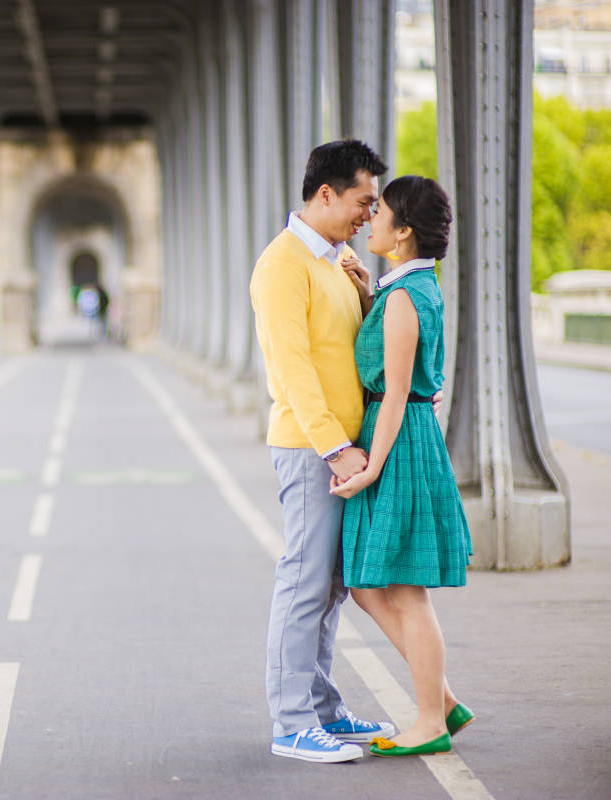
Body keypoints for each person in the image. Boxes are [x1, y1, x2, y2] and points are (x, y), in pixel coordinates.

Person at [250, 140, 395, 764]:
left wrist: (365, 295)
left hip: (339, 449)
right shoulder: (282, 265)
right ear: (326, 194)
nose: (370, 215)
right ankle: (291, 723)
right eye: (363, 202)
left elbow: (344, 350)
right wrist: (337, 450)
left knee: (330, 586)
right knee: (305, 582)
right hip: (313, 450)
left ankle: (324, 711)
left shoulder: (336, 261)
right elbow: (293, 371)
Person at [328, 175, 474, 757]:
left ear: (403, 231)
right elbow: (395, 362)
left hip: (399, 444)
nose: (371, 218)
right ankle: (439, 699)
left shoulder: (406, 298)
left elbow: (392, 394)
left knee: (407, 592)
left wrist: (370, 468)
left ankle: (430, 723)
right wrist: (369, 298)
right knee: (368, 585)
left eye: (380, 210)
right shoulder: (408, 290)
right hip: (406, 437)